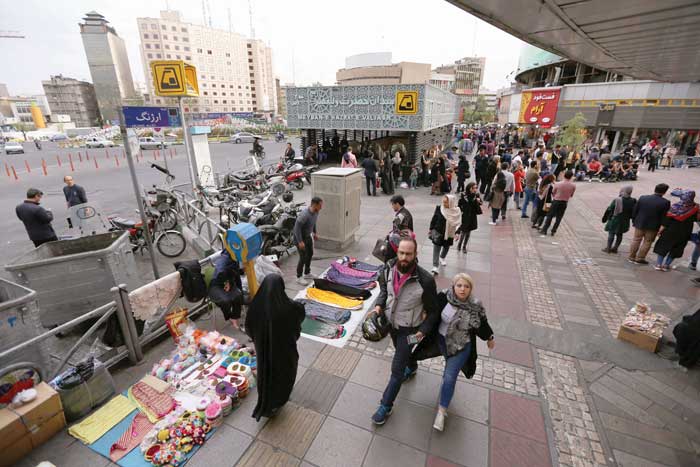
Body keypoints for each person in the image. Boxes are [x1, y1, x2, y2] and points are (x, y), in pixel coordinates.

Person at [370, 237, 439, 425]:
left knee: (396, 369)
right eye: (401, 252)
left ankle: (386, 405)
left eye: (409, 254)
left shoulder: (425, 280)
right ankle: (413, 367)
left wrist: (423, 331)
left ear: (415, 255)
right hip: (392, 326)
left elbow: (433, 312)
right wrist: (378, 306)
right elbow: (384, 291)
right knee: (404, 356)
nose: (404, 257)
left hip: (410, 332)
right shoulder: (388, 268)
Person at [414, 273, 494, 431]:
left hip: (461, 347)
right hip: (441, 342)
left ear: (471, 289)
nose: (462, 289)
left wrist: (489, 337)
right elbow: (432, 311)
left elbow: (482, 325)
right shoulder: (444, 297)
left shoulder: (475, 306)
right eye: (459, 285)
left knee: (449, 378)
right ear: (453, 286)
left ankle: (442, 412)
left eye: (466, 286)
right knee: (419, 354)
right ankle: (410, 368)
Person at [245, 274, 305, 421]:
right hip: (284, 352)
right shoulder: (290, 307)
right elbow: (297, 323)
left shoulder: (255, 307)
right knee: (283, 376)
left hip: (263, 351)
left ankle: (267, 403)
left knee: (265, 376)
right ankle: (278, 402)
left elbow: (249, 328)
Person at [653, 190, 699, 271]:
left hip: (670, 231)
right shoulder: (696, 208)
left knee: (663, 246)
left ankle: (658, 264)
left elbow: (666, 221)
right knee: (677, 249)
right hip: (685, 232)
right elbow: (697, 219)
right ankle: (666, 266)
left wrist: (660, 230)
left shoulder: (675, 206)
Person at [628, 183, 671, 265]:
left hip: (640, 223)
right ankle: (640, 258)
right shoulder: (665, 202)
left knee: (636, 239)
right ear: (664, 192)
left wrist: (634, 220)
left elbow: (635, 210)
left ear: (655, 189)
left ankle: (631, 257)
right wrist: (662, 227)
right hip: (653, 226)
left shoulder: (643, 198)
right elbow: (664, 216)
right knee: (647, 242)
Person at [208, 249, 244, 329]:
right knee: (225, 300)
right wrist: (226, 281)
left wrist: (240, 292)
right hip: (216, 285)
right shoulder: (224, 258)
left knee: (238, 296)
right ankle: (229, 316)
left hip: (229, 283)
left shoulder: (235, 259)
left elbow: (237, 277)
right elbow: (219, 271)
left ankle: (234, 317)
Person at [293, 196, 323, 285]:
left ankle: (307, 273)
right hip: (299, 238)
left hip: (307, 237)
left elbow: (313, 223)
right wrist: (300, 241)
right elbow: (296, 228)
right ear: (314, 204)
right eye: (320, 205)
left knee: (310, 254)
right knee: (302, 257)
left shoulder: (316, 212)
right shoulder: (305, 215)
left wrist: (314, 233)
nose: (321, 207)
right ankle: (299, 277)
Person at [429, 195, 461, 275]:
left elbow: (459, 223)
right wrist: (431, 228)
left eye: (446, 202)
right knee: (436, 248)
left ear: (451, 202)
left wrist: (457, 233)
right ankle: (435, 266)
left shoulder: (456, 211)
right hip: (438, 231)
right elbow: (434, 218)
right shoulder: (439, 208)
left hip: (450, 233)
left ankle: (442, 257)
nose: (444, 203)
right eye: (443, 201)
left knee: (446, 247)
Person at [539, 170, 576, 236]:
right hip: (564, 202)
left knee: (550, 216)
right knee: (559, 217)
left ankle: (544, 229)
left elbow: (553, 192)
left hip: (556, 201)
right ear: (571, 177)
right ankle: (553, 230)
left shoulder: (558, 184)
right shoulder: (573, 185)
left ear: (564, 175)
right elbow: (571, 195)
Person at [602, 186, 637, 254]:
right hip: (625, 220)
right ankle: (615, 248)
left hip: (615, 219)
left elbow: (610, 209)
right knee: (620, 234)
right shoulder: (633, 200)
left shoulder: (617, 199)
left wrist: (605, 218)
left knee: (611, 233)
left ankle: (608, 248)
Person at [457, 182, 481, 253]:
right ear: (469, 188)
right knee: (464, 231)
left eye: (476, 188)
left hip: (472, 216)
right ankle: (460, 244)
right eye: (473, 188)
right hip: (465, 215)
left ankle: (464, 246)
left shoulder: (476, 195)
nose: (475, 189)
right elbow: (459, 204)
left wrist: (478, 201)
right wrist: (460, 211)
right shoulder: (463, 195)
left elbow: (480, 203)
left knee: (468, 232)